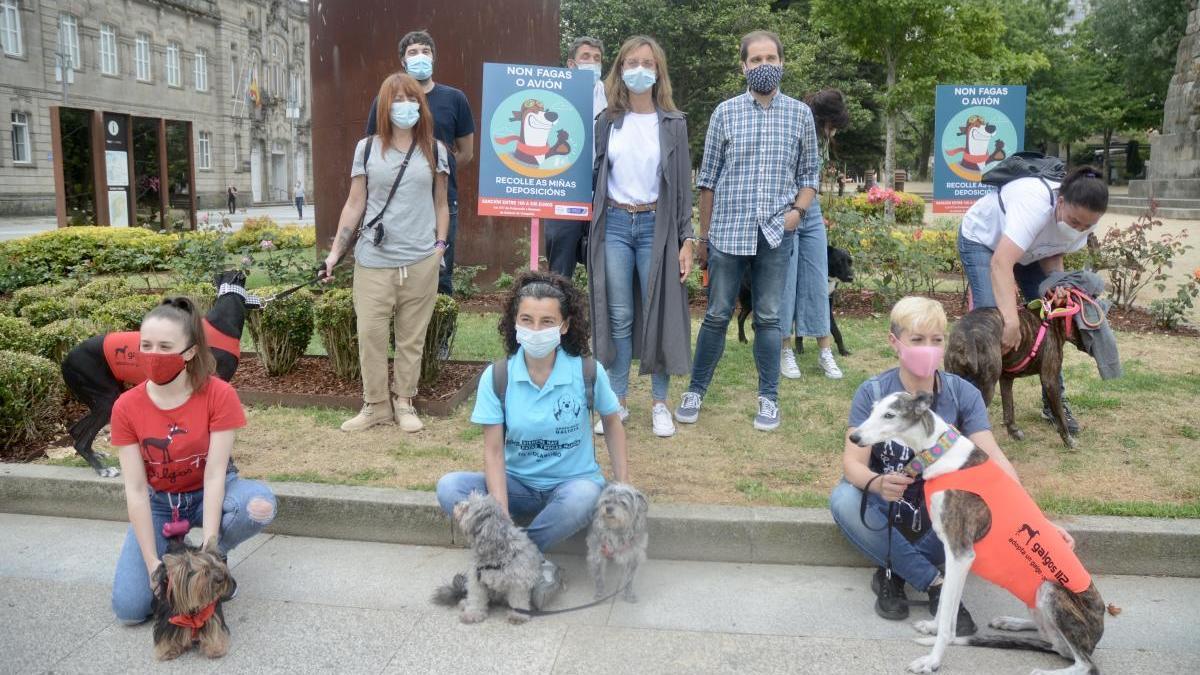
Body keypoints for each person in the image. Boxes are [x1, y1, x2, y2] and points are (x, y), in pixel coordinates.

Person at [829, 296, 1077, 634]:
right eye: (917, 340)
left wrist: (1040, 522)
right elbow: (852, 464)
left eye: (936, 340)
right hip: (890, 510)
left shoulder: (962, 393)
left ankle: (895, 572)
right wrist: (876, 483)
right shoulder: (874, 392)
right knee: (844, 499)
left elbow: (995, 461)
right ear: (895, 342)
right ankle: (934, 583)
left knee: (978, 510)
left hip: (941, 511)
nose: (927, 349)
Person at [435, 272, 628, 583]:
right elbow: (494, 452)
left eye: (547, 322)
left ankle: (510, 557)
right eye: (526, 319)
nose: (535, 330)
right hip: (518, 485)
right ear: (514, 322)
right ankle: (519, 557)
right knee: (450, 487)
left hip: (573, 484)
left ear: (565, 326)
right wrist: (499, 516)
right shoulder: (498, 376)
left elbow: (612, 423)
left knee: (583, 496)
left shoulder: (588, 371)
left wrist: (622, 488)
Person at [676, 30, 819, 432]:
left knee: (770, 318)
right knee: (718, 315)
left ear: (782, 62)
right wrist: (703, 237)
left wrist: (797, 212)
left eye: (770, 58)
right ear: (743, 65)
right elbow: (708, 180)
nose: (763, 66)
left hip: (777, 233)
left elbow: (810, 175)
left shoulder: (800, 115)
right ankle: (695, 391)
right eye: (755, 60)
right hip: (727, 233)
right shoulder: (725, 112)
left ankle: (768, 399)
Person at [110, 297, 276, 623]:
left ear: (190, 352)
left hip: (206, 492)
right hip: (160, 502)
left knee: (258, 506)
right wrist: (152, 564)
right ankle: (177, 559)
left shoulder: (219, 394)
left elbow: (215, 475)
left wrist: (209, 555)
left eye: (165, 346)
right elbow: (136, 489)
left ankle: (211, 565)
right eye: (146, 345)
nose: (154, 355)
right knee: (130, 610)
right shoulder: (126, 406)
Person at [324, 72, 450, 433]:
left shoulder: (435, 150)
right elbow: (354, 203)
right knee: (371, 335)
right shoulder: (366, 149)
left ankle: (405, 402)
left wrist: (439, 247)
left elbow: (442, 204)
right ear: (384, 105)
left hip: (421, 259)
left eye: (412, 99)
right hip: (374, 261)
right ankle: (375, 405)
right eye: (397, 100)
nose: (405, 107)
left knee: (412, 337)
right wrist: (335, 253)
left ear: (421, 105)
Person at [587, 35, 693, 439]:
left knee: (658, 311)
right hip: (614, 224)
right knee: (619, 315)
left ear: (658, 71)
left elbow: (682, 187)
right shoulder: (606, 122)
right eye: (631, 62)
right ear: (620, 69)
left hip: (657, 227)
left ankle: (660, 403)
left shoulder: (673, 124)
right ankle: (617, 401)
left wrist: (687, 239)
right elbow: (595, 179)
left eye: (647, 63)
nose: (638, 69)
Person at [958, 166, 1108, 433]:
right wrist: (1011, 319)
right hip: (985, 242)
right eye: (1075, 222)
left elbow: (1054, 246)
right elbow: (1001, 263)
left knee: (1050, 322)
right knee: (989, 328)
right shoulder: (1033, 205)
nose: (1079, 229)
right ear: (1060, 202)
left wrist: (1057, 283)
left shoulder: (1082, 218)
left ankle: (1054, 403)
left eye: (1087, 226)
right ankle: (966, 416)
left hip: (1030, 251)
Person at [365, 30, 474, 297]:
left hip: (442, 201)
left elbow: (466, 153)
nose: (420, 56)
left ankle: (439, 339)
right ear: (403, 61)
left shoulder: (455, 99)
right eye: (413, 52)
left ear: (434, 57)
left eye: (425, 51)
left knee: (441, 273)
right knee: (395, 273)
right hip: (396, 204)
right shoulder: (385, 101)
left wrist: (435, 176)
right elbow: (373, 151)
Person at [779, 88, 851, 381]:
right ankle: (784, 350)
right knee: (786, 281)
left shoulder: (820, 137)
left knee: (817, 280)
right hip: (786, 205)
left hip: (812, 207)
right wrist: (793, 210)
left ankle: (825, 352)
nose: (833, 132)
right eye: (832, 125)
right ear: (823, 119)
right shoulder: (795, 126)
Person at [545, 36, 608, 279]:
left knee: (603, 270)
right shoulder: (553, 97)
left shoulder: (614, 97)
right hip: (564, 192)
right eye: (585, 57)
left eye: (597, 58)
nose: (592, 63)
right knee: (559, 272)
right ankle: (559, 315)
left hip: (603, 195)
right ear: (571, 64)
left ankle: (598, 317)